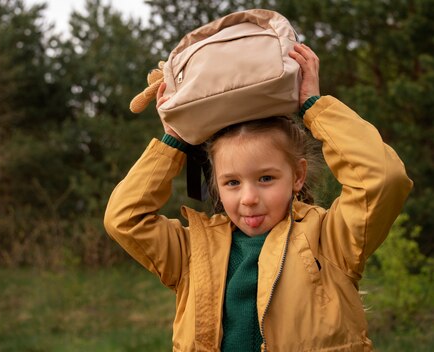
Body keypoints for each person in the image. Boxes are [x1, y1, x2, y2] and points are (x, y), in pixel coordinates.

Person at [103, 43, 413, 351]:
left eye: (266, 178)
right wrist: (174, 140)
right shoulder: (190, 252)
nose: (249, 198)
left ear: (298, 175)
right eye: (232, 182)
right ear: (216, 184)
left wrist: (314, 107)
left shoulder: (331, 241)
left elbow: (383, 179)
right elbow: (124, 219)